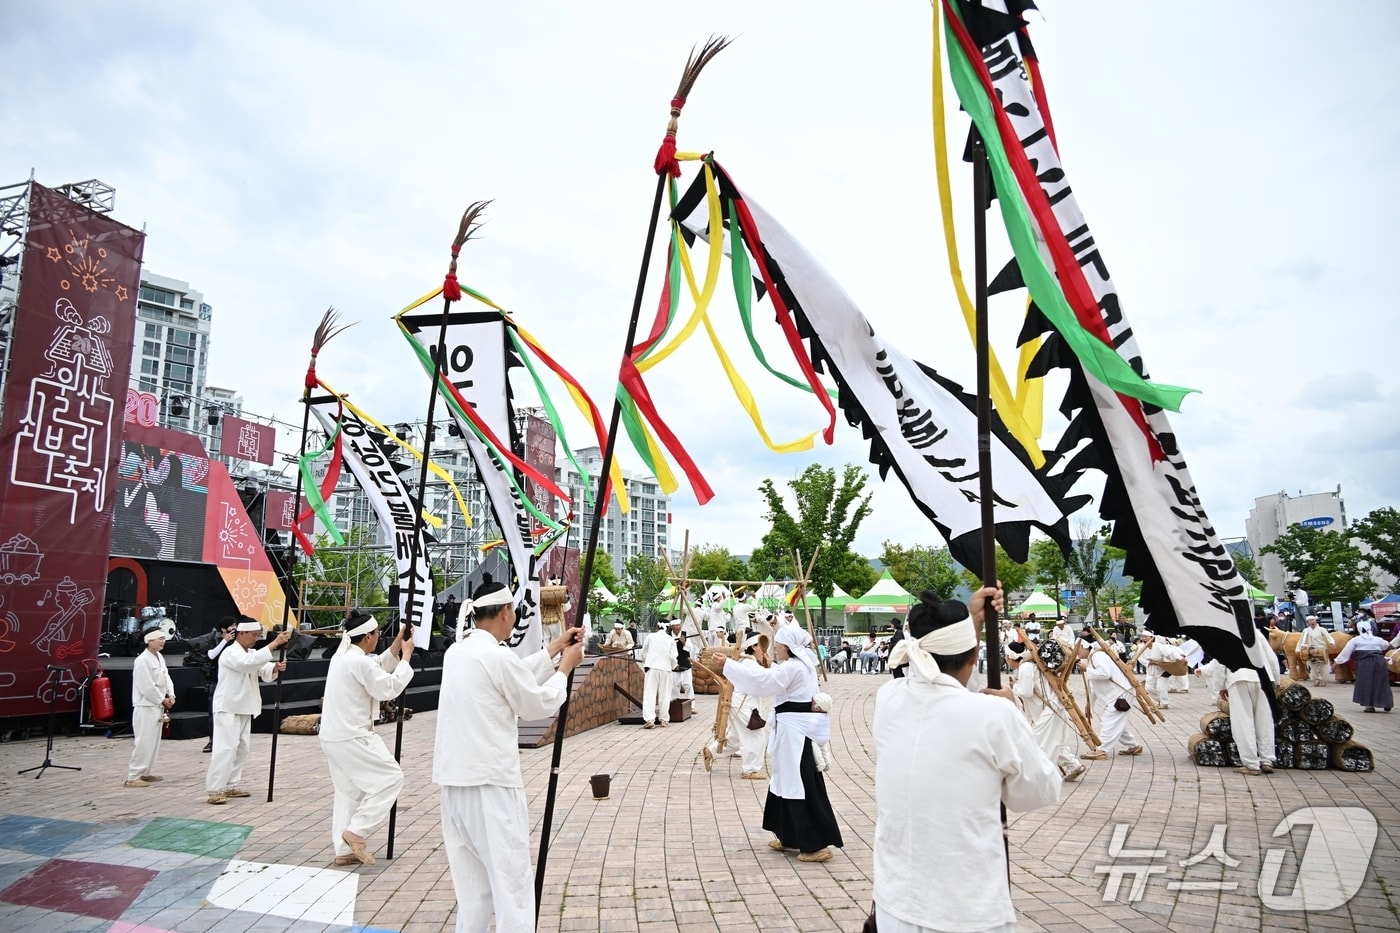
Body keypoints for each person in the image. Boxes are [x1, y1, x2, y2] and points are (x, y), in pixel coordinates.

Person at [873, 587, 1060, 931]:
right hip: (965, 907)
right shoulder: (993, 714)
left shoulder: (889, 699)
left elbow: (940, 681)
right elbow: (1039, 791)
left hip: (895, 899)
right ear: (975, 655)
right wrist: (1014, 711)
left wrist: (971, 624)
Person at [433, 581, 584, 932]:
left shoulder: (458, 652)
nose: (515, 617)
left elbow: (511, 678)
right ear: (504, 612)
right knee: (512, 887)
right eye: (513, 611)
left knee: (473, 894)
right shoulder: (495, 656)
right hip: (491, 787)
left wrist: (554, 649)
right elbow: (535, 703)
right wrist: (565, 668)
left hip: (455, 785)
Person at [713, 625, 843, 863]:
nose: (776, 648)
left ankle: (814, 844)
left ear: (788, 647)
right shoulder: (799, 666)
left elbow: (764, 682)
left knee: (798, 781)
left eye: (779, 645)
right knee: (786, 780)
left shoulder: (794, 667)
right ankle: (790, 835)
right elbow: (775, 677)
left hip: (795, 730)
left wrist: (728, 665)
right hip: (792, 728)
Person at [319, 609, 415, 867]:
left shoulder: (345, 657)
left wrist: (397, 643)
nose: (378, 637)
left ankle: (343, 849)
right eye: (376, 634)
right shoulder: (357, 661)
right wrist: (406, 656)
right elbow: (388, 687)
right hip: (351, 735)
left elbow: (377, 666)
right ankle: (356, 832)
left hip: (334, 736)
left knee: (348, 793)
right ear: (367, 637)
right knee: (391, 778)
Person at [205, 618, 290, 805]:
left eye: (258, 635)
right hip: (228, 707)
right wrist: (275, 643)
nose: (255, 639)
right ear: (241, 634)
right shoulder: (230, 652)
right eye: (253, 635)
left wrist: (274, 667)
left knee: (242, 748)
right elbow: (248, 663)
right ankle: (215, 789)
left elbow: (259, 666)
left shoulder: (250, 652)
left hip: (244, 706)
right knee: (225, 748)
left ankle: (231, 785)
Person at [1007, 641, 1087, 782]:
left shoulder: (1026, 666)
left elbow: (1025, 691)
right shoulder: (1031, 664)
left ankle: (1039, 775)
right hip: (1051, 707)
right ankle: (1074, 765)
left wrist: (1014, 687)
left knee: (1036, 743)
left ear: (1010, 657)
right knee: (1054, 742)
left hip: (1048, 710)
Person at [704, 632, 772, 779]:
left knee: (734, 738)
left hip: (740, 704)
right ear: (754, 647)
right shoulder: (749, 663)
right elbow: (765, 679)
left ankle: (711, 751)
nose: (765, 651)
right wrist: (770, 667)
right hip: (744, 706)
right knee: (755, 736)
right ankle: (750, 770)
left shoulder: (747, 662)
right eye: (762, 647)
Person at [1220, 629, 1283, 775]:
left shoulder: (1225, 631)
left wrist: (1221, 686)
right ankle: (1267, 760)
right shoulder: (1256, 632)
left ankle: (1251, 764)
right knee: (1265, 720)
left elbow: (1220, 661)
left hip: (1238, 677)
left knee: (1243, 721)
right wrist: (1276, 680)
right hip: (1263, 677)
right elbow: (1271, 657)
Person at [1076, 631, 1143, 760]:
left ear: (1085, 646)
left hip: (1122, 693)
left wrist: (1087, 670)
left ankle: (1102, 750)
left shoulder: (1097, 656)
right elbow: (1093, 686)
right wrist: (1090, 704)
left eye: (1078, 648)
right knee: (1116, 722)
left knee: (1109, 721)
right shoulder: (1091, 658)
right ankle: (1133, 745)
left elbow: (1105, 674)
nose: (1077, 652)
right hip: (1117, 694)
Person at [125, 626, 175, 788]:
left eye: (163, 638)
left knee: (153, 742)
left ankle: (145, 772)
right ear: (149, 640)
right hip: (146, 705)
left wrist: (171, 694)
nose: (163, 641)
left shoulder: (159, 657)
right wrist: (162, 699)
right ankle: (133, 776)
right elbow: (146, 686)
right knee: (144, 741)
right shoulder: (142, 660)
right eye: (159, 638)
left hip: (158, 705)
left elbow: (166, 677)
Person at [1334, 620, 1394, 713]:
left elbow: (1346, 652)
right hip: (1379, 662)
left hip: (1364, 663)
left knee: (1366, 683)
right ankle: (1386, 703)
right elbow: (1388, 646)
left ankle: (1369, 706)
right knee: (1381, 682)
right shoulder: (1377, 639)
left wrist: (1337, 661)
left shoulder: (1355, 640)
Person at [202, 617, 237, 753]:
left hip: (231, 678)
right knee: (213, 711)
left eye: (235, 625)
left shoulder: (236, 641)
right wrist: (225, 641)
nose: (234, 628)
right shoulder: (214, 638)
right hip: (216, 679)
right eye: (232, 626)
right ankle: (212, 740)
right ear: (223, 629)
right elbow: (211, 655)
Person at [639, 620, 677, 728]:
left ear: (657, 626)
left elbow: (644, 652)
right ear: (669, 628)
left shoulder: (650, 636)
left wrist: (646, 662)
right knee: (665, 695)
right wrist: (673, 666)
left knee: (649, 693)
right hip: (666, 668)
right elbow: (673, 656)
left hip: (652, 667)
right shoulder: (670, 639)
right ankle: (664, 719)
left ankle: (650, 719)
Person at [1298, 615, 1335, 686]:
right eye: (1310, 620)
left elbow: (1328, 637)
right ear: (1307, 622)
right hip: (1311, 649)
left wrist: (1332, 642)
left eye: (1313, 620)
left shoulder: (1322, 629)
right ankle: (1316, 679)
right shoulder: (1305, 631)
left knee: (1323, 665)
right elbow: (1301, 640)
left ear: (1315, 621)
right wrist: (1299, 648)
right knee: (1313, 665)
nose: (1312, 622)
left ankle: (1324, 680)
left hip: (1321, 648)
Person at [673, 628, 694, 700]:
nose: (678, 627)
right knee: (674, 687)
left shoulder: (685, 634)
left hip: (685, 664)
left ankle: (691, 706)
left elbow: (690, 649)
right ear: (672, 627)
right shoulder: (668, 636)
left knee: (688, 685)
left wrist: (684, 643)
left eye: (679, 625)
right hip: (673, 666)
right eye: (676, 626)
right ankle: (674, 706)